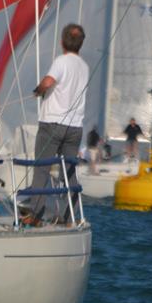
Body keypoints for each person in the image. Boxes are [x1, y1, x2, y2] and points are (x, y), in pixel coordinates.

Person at [28, 23, 89, 224]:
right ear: (80, 44)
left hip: (52, 124)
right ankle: (69, 216)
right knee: (69, 172)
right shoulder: (84, 66)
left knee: (42, 169)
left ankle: (35, 215)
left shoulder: (61, 61)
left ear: (62, 42)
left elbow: (47, 82)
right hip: (74, 128)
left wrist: (37, 90)